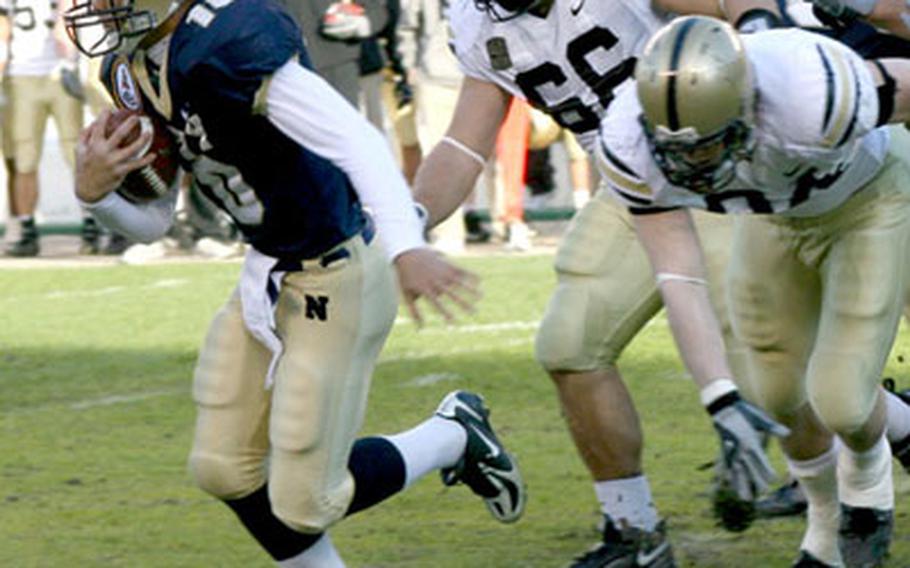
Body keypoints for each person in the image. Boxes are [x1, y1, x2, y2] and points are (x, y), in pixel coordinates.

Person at [63, 0, 526, 565]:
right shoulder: (131, 66)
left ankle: (454, 434)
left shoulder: (228, 37)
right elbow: (153, 222)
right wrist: (95, 195)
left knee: (306, 503)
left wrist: (407, 246)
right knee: (222, 468)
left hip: (338, 267)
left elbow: (356, 140)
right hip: (268, 269)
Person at [410, 0, 791, 563]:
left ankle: (881, 443)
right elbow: (464, 145)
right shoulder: (476, 20)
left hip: (718, 164)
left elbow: (738, 10)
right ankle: (634, 530)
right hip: (628, 182)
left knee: (769, 363)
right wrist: (407, 222)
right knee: (571, 346)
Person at [595, 15, 910, 566]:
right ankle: (823, 526)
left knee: (842, 396)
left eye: (704, 146)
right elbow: (678, 274)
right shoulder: (627, 140)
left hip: (870, 201)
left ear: (747, 108)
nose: (687, 163)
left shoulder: (814, 93)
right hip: (772, 218)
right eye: (672, 147)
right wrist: (718, 395)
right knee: (775, 394)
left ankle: (868, 488)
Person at [1, 0, 88, 256]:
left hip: (62, 72)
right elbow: (3, 22)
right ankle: (26, 226)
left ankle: (92, 220)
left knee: (77, 153)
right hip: (22, 75)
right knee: (24, 159)